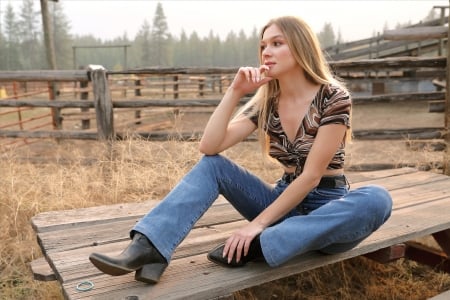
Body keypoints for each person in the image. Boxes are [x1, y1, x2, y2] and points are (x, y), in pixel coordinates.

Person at [89, 15, 393, 284]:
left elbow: (312, 177)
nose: (266, 52)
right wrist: (235, 92)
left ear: (301, 47)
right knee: (213, 165)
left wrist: (256, 226)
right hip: (280, 202)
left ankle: (260, 244)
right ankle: (150, 248)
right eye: (263, 46)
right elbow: (209, 147)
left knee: (377, 199)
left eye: (277, 43)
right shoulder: (266, 101)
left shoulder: (334, 97)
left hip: (327, 212)